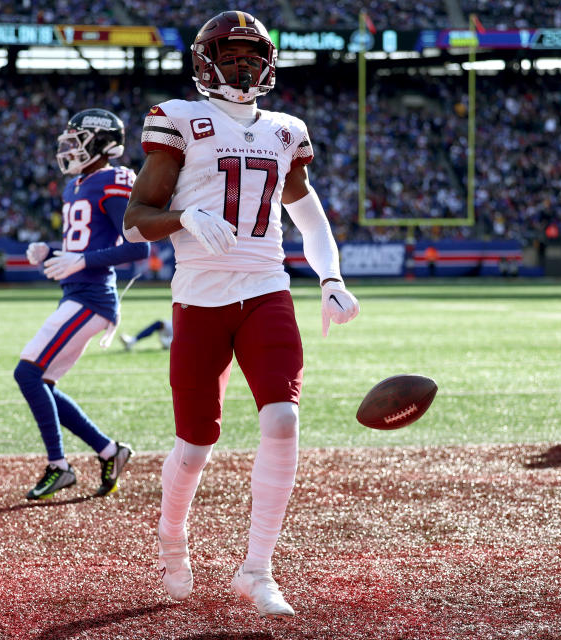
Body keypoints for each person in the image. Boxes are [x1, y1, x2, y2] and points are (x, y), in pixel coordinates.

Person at [123, 11, 360, 618]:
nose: (243, 65)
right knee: (197, 441)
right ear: (206, 60)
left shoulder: (286, 130)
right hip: (199, 300)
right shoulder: (179, 119)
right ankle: (172, 538)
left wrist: (331, 278)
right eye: (231, 55)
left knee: (283, 421)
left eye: (253, 55)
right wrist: (183, 219)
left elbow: (307, 214)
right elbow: (135, 220)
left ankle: (257, 569)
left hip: (266, 289)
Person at [16, 108, 150, 500]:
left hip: (93, 298)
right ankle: (110, 451)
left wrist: (81, 261)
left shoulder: (114, 179)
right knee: (41, 382)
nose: (70, 147)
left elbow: (139, 246)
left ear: (102, 144)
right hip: (76, 295)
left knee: (27, 374)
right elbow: (84, 245)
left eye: (79, 140)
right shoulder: (76, 185)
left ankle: (59, 466)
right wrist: (52, 252)